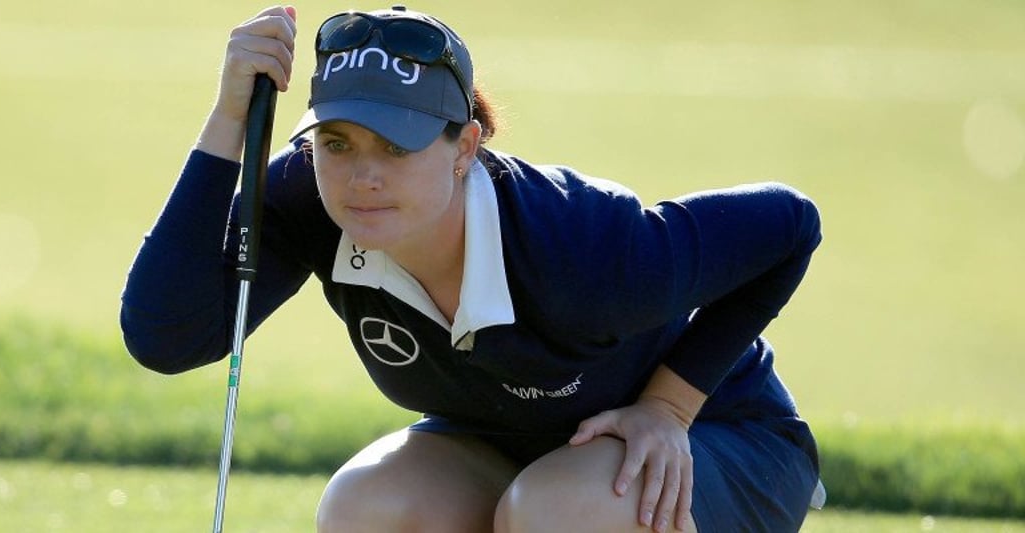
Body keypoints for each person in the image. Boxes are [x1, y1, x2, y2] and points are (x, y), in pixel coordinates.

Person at [121, 4, 825, 532]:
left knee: (552, 510)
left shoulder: (582, 248)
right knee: (367, 505)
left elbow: (789, 225)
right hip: (516, 450)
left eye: (396, 148)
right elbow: (166, 334)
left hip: (717, 442)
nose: (362, 175)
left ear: (465, 148)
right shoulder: (312, 196)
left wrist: (668, 407)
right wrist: (227, 121)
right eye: (336, 142)